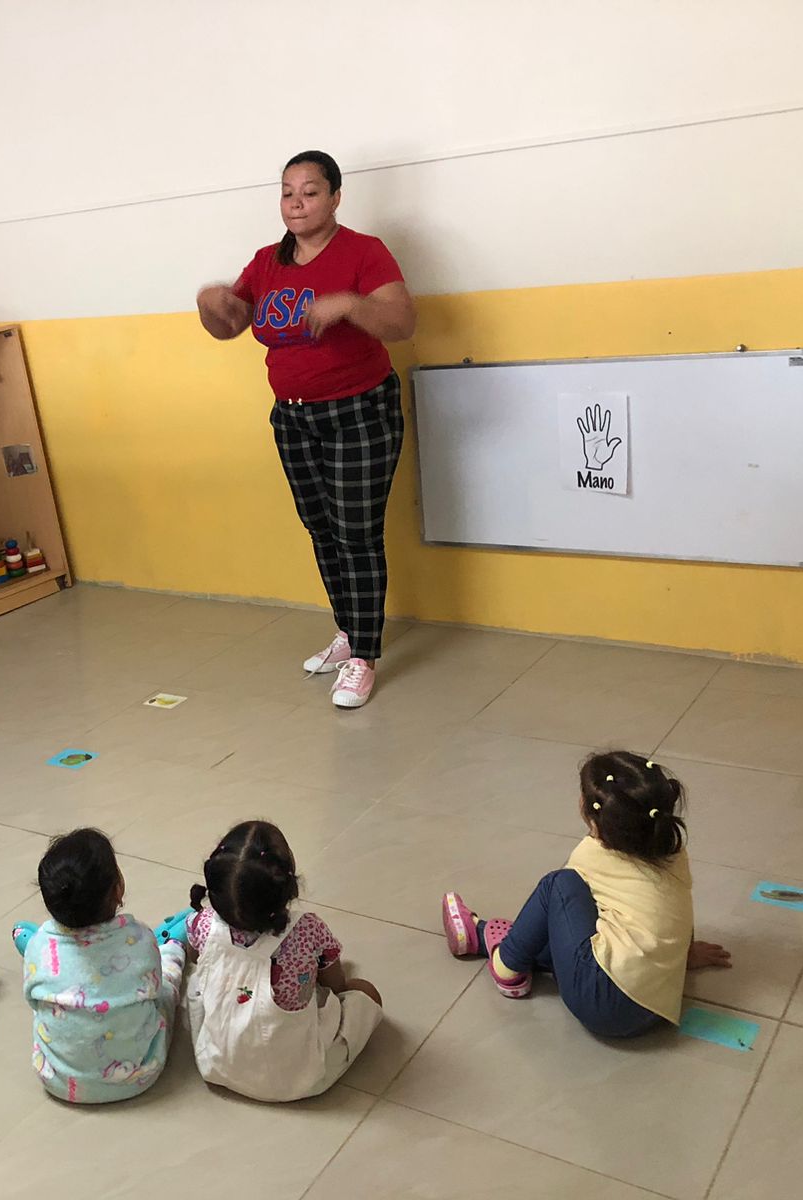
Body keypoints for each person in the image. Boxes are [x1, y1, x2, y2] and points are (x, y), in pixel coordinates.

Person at [196, 150, 416, 709]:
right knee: (321, 529)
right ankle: (349, 629)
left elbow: (402, 323)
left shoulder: (364, 252)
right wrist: (210, 303)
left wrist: (350, 304)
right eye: (288, 193)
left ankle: (364, 655)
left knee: (356, 533)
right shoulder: (267, 262)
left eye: (311, 192)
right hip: (293, 416)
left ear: (335, 198)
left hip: (360, 411)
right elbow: (229, 326)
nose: (297, 203)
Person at [441, 751, 733, 1038]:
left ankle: (506, 966)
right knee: (577, 915)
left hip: (603, 1006)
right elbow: (679, 905)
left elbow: (558, 908)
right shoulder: (672, 850)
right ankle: (482, 935)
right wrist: (686, 954)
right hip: (656, 1006)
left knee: (558, 885)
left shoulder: (591, 854)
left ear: (587, 809)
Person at [185, 820, 382, 1101]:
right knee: (364, 991)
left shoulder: (200, 924)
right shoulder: (308, 930)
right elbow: (337, 987)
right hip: (300, 1079)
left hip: (217, 1065)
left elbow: (198, 960)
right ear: (287, 886)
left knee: (198, 983)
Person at [10, 829, 185, 1104]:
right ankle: (176, 945)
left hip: (57, 1080)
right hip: (139, 1075)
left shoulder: (40, 945)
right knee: (165, 989)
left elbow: (33, 1002)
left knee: (48, 1001)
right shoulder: (141, 938)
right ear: (118, 889)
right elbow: (153, 990)